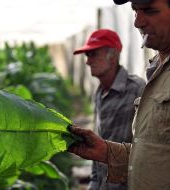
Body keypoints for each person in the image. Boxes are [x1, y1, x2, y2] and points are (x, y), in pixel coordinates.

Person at [68, 0, 170, 189]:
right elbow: (153, 154)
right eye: (134, 11)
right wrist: (105, 151)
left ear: (112, 55)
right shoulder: (153, 75)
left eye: (149, 10)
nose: (137, 22)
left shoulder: (135, 88)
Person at [73, 29, 145, 190]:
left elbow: (147, 146)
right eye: (87, 55)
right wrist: (94, 182)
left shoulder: (137, 89)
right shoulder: (99, 93)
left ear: (112, 55)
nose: (88, 61)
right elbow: (97, 140)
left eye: (93, 54)